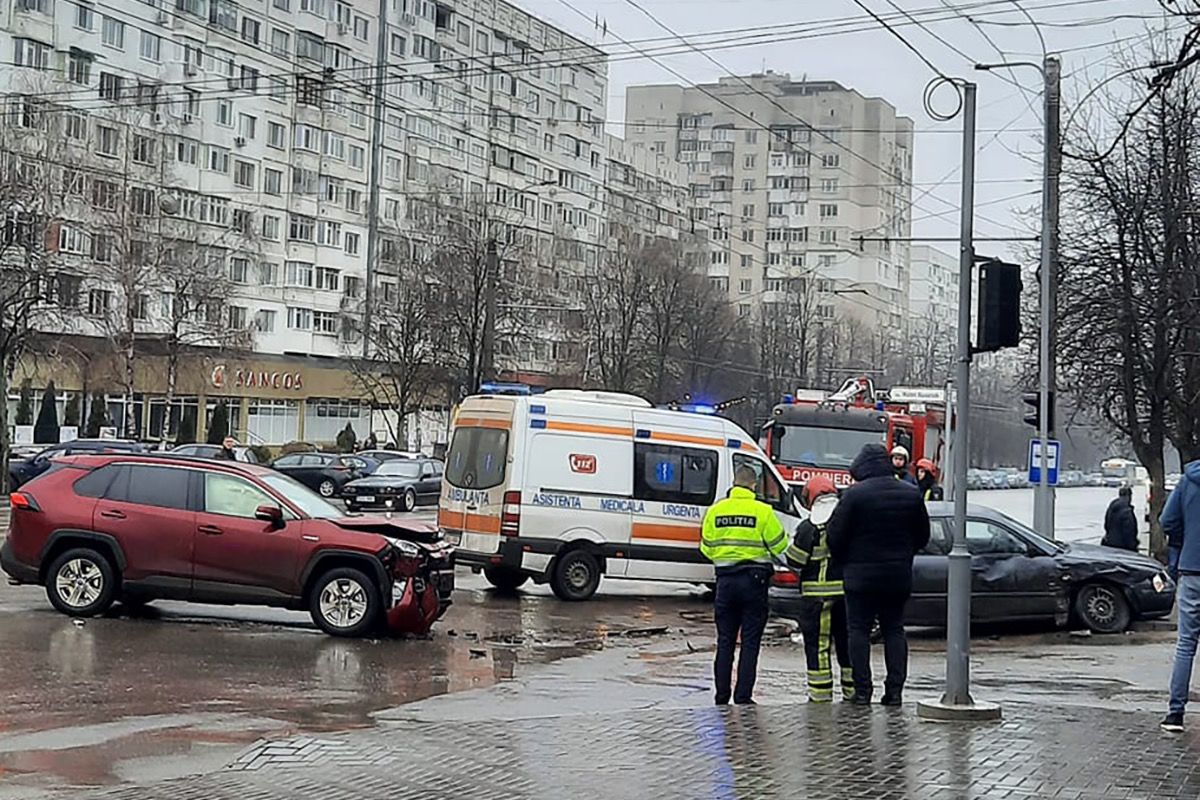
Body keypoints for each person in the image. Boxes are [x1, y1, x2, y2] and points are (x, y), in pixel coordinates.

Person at [827, 443, 930, 706]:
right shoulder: (911, 494)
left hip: (860, 578)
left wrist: (845, 560)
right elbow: (923, 536)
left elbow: (835, 537)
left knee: (858, 631)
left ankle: (863, 691)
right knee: (894, 630)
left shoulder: (854, 496)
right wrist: (904, 554)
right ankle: (894, 691)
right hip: (897, 576)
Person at [700, 464, 790, 706]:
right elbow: (780, 546)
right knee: (750, 642)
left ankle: (721, 696)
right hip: (754, 582)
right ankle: (743, 696)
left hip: (725, 582)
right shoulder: (763, 511)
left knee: (725, 641)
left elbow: (706, 547)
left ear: (734, 482)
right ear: (753, 484)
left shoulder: (716, 511)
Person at [784, 476, 852, 703]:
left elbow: (796, 560)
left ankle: (821, 695)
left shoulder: (808, 527)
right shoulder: (846, 522)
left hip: (816, 597)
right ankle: (852, 692)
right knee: (847, 644)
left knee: (818, 646)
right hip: (845, 595)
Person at [1161, 462, 1200, 731]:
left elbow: (1167, 521)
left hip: (1192, 568)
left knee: (1186, 643)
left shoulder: (1188, 480)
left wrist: (1184, 541)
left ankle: (1175, 714)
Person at [1101, 487, 1139, 552]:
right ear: (1130, 496)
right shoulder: (1127, 511)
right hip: (1123, 547)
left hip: (1109, 543)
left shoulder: (1112, 507)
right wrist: (1133, 546)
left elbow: (1106, 525)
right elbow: (1129, 532)